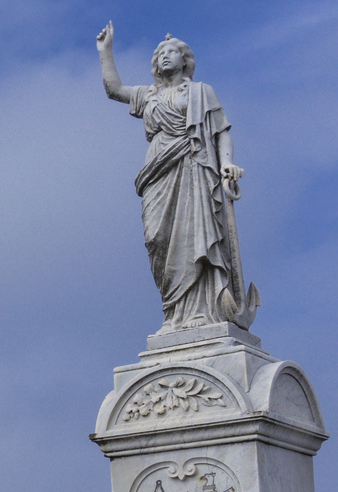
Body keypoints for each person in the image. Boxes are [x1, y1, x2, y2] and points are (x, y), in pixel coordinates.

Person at [96, 24, 246, 333]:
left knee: (194, 238)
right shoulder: (148, 95)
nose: (165, 57)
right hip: (158, 172)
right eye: (160, 54)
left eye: (172, 52)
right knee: (157, 239)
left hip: (193, 166)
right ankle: (174, 313)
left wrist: (228, 164)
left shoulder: (201, 92)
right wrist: (105, 52)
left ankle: (202, 313)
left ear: (185, 60)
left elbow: (221, 132)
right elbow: (114, 90)